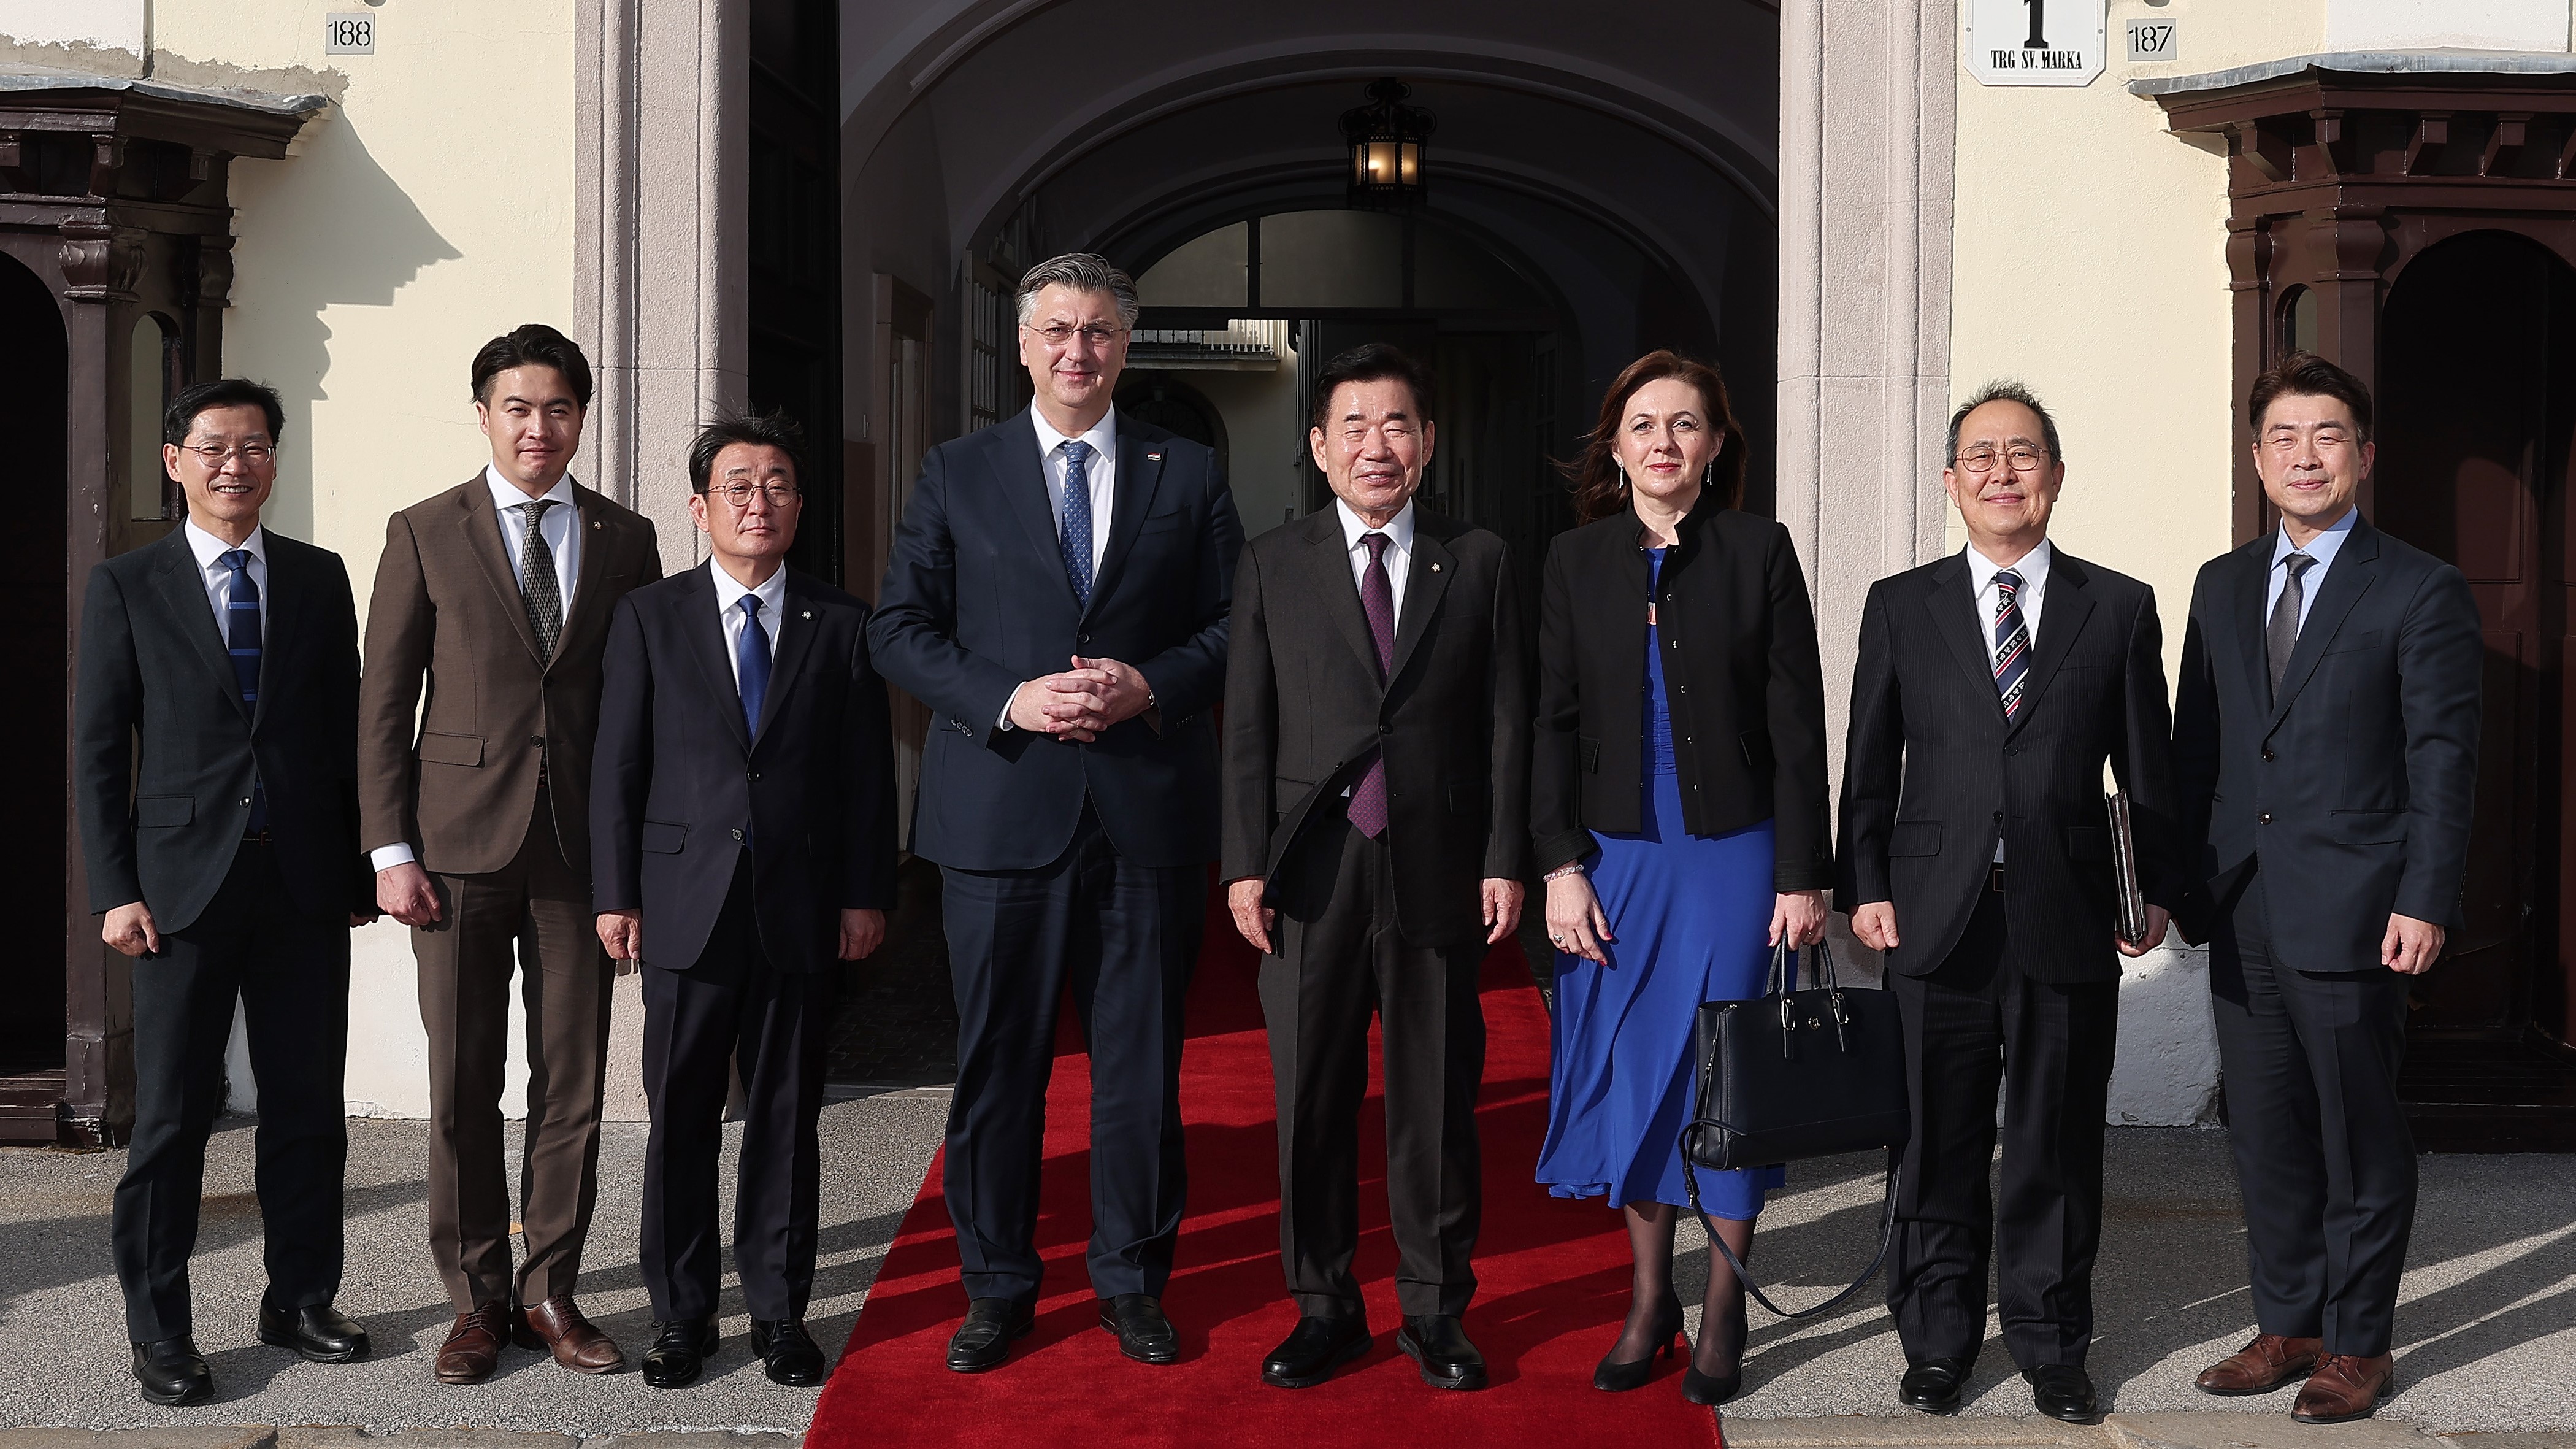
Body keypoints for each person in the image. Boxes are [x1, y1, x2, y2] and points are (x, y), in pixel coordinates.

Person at [869, 254, 1243, 1373]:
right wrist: (1008, 697)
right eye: (1057, 331)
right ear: (1023, 345)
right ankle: (997, 1285)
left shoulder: (1192, 474)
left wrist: (1153, 684)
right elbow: (897, 628)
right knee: (1000, 1067)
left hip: (1144, 817)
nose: (1078, 351)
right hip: (999, 815)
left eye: (1099, 332)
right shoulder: (957, 470)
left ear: (1126, 347)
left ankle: (1132, 1280)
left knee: (1141, 1068)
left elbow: (1238, 626)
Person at [1837, 381, 2180, 1424]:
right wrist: (1867, 886)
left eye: (2022, 454)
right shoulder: (1902, 603)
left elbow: (2149, 771)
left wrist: (2152, 887)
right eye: (1980, 456)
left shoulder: (2116, 605)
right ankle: (1937, 1338)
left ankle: (2050, 1340)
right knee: (1935, 1142)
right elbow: (1866, 770)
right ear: (1951, 482)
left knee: (2056, 1142)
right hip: (1934, 917)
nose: (2001, 472)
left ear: (2057, 476)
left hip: (2065, 912)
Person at [2171, 352, 2481, 1425]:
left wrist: (2426, 896)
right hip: (2241, 898)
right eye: (2285, 439)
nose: (2306, 456)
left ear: (2364, 454)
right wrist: (2173, 885)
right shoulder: (2220, 583)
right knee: (2263, 1128)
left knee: (2356, 1132)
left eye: (2329, 436)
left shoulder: (2418, 587)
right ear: (2258, 459)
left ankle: (2357, 1342)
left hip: (2358, 904)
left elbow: (2444, 758)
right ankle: (2287, 1320)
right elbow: (2196, 747)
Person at [1222, 343, 1530, 1394]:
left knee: (1436, 1099)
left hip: (1440, 864)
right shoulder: (1272, 560)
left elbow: (1505, 719)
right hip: (1311, 869)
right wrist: (1242, 868)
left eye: (1397, 424)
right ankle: (1324, 1304)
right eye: (1352, 426)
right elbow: (1248, 732)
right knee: (1310, 1095)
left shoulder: (1479, 557)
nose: (1375, 446)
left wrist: (1505, 856)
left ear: (1429, 442)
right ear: (1317, 447)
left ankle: (1437, 1309)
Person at [358, 323, 662, 1382]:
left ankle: (553, 1291)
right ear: (483, 412)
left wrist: (638, 863)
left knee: (572, 1081)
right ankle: (478, 1296)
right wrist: (391, 850)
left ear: (583, 418)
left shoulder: (628, 537)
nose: (541, 428)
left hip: (582, 851)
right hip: (453, 852)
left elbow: (641, 709)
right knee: (460, 1082)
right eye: (519, 408)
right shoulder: (425, 529)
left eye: (561, 409)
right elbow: (385, 701)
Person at [1528, 351, 1831, 1405]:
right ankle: (1649, 1296)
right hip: (1615, 857)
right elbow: (1549, 726)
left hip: (1737, 855)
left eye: (1687, 424)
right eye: (1644, 424)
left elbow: (1800, 730)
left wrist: (1804, 872)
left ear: (1714, 446)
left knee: (1728, 1070)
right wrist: (1559, 864)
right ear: (1615, 447)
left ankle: (1725, 1302)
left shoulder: (1760, 551)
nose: (1665, 441)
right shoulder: (1572, 561)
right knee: (1638, 1070)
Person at [74, 379, 377, 1405]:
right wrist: (114, 887)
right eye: (213, 446)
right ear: (176, 461)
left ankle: (299, 1297)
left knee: (307, 1107)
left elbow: (347, 734)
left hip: (299, 885)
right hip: (176, 896)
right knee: (168, 1121)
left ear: (274, 461)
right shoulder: (126, 586)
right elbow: (99, 752)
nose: (234, 463)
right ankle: (161, 1330)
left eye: (254, 445)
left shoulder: (318, 577)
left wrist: (360, 864)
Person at [592, 410, 899, 1389]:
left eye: (775, 484)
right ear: (698, 506)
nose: (757, 501)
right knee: (679, 1117)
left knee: (783, 1117)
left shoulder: (841, 622)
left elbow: (865, 776)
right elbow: (618, 765)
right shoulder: (651, 616)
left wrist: (865, 894)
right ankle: (682, 1315)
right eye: (737, 485)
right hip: (681, 904)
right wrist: (617, 894)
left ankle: (779, 1310)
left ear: (799, 506)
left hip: (800, 906)